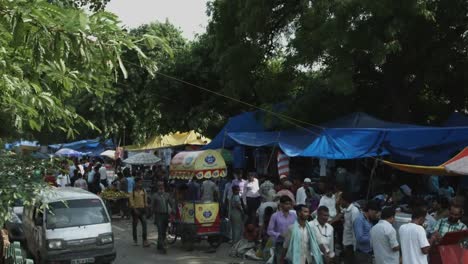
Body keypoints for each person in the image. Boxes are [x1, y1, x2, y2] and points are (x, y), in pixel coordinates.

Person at [267, 195, 297, 264]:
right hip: (280, 243)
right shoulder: (275, 216)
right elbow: (269, 231)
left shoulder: (294, 215)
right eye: (286, 204)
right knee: (280, 261)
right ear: (281, 204)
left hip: (291, 243)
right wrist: (279, 234)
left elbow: (296, 227)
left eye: (290, 204)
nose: (289, 206)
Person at [151, 181, 174, 254]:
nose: (161, 187)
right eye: (159, 186)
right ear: (157, 187)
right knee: (160, 231)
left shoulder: (167, 195)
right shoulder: (155, 196)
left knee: (164, 231)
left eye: (162, 186)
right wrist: (152, 215)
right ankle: (164, 246)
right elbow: (152, 206)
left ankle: (159, 244)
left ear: (164, 186)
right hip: (158, 216)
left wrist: (173, 211)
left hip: (166, 215)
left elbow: (172, 204)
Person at [129, 178, 149, 247]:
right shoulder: (132, 192)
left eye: (141, 183)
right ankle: (135, 240)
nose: (140, 184)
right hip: (135, 210)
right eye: (138, 183)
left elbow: (146, 201)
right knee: (135, 225)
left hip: (142, 210)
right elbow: (131, 202)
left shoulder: (143, 191)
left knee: (144, 224)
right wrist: (134, 210)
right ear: (136, 183)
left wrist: (146, 208)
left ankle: (145, 240)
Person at [340, 192, 360, 264]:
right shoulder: (347, 210)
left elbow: (355, 229)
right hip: (346, 241)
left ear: (345, 200)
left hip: (351, 243)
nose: (340, 202)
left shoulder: (354, 211)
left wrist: (355, 246)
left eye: (341, 200)